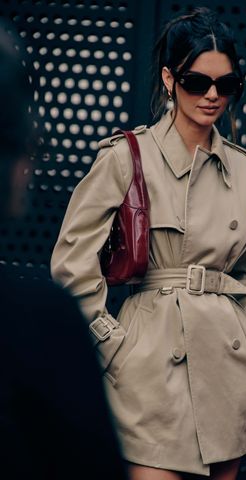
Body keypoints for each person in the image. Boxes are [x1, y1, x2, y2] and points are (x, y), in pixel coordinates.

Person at [51, 7, 246, 480]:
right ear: (168, 77)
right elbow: (71, 267)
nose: (213, 96)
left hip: (230, 368)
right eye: (197, 82)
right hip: (151, 368)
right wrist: (111, 347)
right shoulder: (125, 157)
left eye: (227, 85)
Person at [0, 22, 128, 480]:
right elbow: (75, 258)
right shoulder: (38, 323)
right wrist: (116, 344)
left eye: (226, 83)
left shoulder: (245, 169)